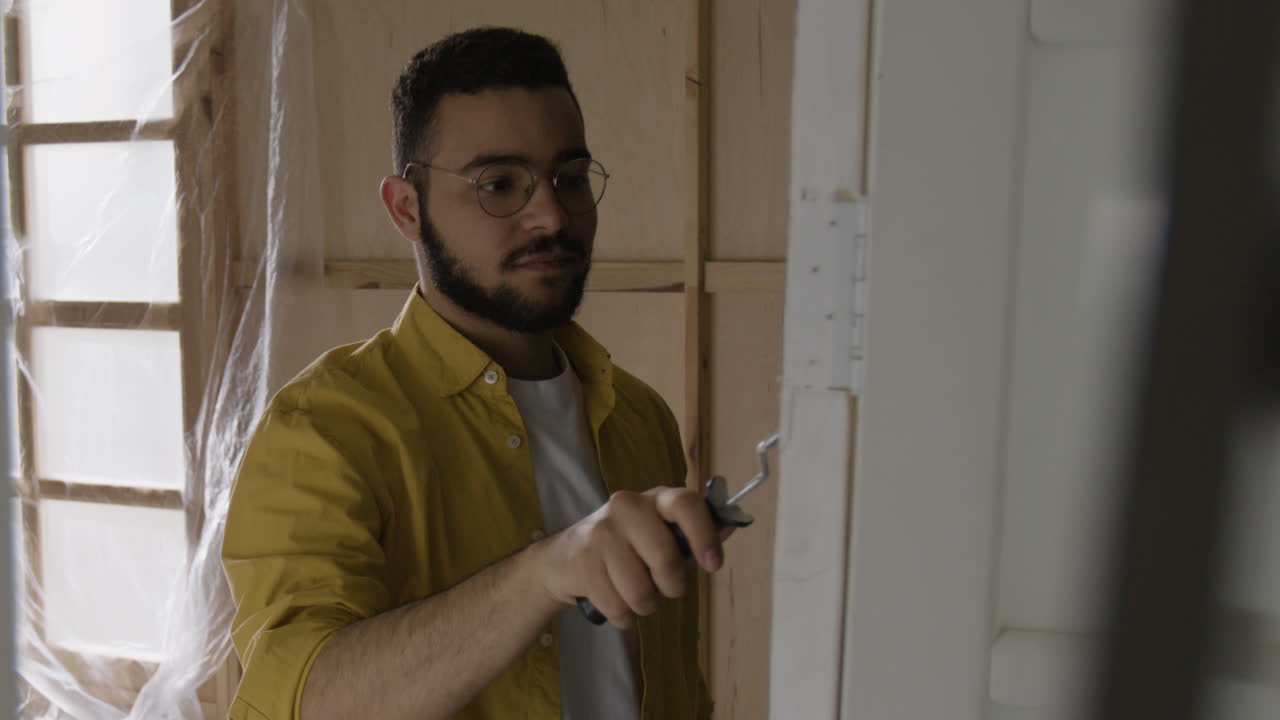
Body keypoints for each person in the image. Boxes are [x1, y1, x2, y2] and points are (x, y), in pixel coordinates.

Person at [222, 27, 720, 720]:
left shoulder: (640, 416)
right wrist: (542, 574)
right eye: (499, 185)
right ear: (407, 209)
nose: (550, 216)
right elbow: (306, 699)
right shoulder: (325, 431)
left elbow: (676, 689)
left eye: (570, 178)